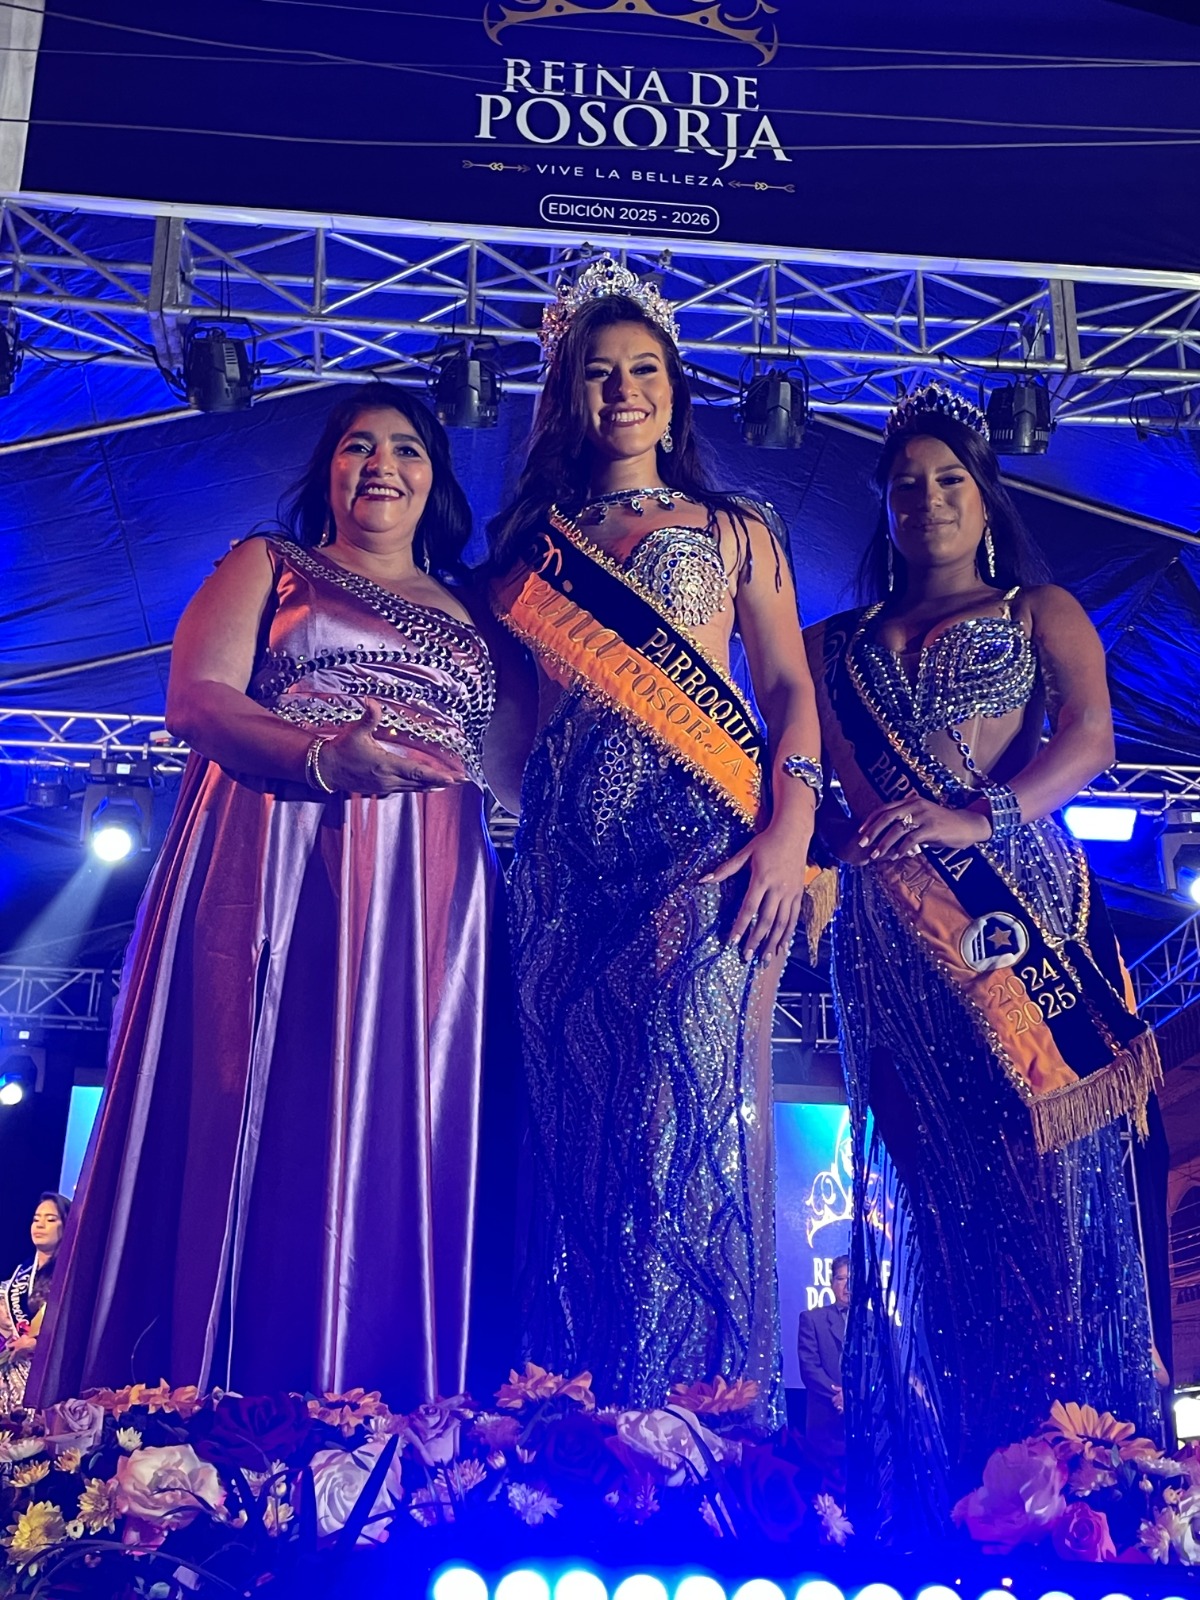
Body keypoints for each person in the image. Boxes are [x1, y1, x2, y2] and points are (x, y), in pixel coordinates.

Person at [30, 383, 531, 1411]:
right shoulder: (273, 563)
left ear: (437, 480)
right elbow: (195, 698)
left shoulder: (481, 613)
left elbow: (520, 771)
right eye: (358, 446)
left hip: (433, 887)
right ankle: (210, 1400)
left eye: (406, 448)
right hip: (280, 850)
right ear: (327, 471)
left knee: (406, 1128)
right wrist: (320, 757)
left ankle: (390, 1405)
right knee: (260, 1106)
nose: (381, 464)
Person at [804, 383, 1164, 1538]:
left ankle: (1072, 1485)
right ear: (885, 505)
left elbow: (1092, 739)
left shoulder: (1038, 610)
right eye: (907, 484)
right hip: (893, 944)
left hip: (1019, 917)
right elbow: (802, 781)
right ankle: (959, 1488)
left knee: (1046, 1194)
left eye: (950, 478)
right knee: (937, 1205)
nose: (929, 499)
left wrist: (979, 818)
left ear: (985, 495)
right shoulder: (832, 646)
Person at [488, 258, 821, 1428]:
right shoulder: (531, 544)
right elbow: (508, 726)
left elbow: (789, 688)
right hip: (563, 872)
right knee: (573, 1130)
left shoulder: (738, 528)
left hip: (705, 849)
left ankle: (704, 1419)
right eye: (598, 371)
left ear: (675, 394)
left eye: (643, 370)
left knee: (682, 1112)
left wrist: (790, 832)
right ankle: (576, 1421)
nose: (622, 390)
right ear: (567, 396)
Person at [0, 1193, 70, 1413]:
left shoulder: (68, 1278)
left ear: (66, 1226)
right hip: (9, 1378)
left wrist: (36, 1344)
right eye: (36, 1219)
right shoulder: (20, 1274)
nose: (40, 1224)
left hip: (45, 1380)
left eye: (50, 1219)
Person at [796, 1254, 849, 1470]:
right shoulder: (812, 1319)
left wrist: (854, 1396)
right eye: (841, 1279)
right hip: (827, 1419)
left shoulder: (875, 1322)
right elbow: (809, 1368)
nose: (847, 1286)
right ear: (831, 1283)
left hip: (867, 1426)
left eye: (852, 1279)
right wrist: (841, 1396)